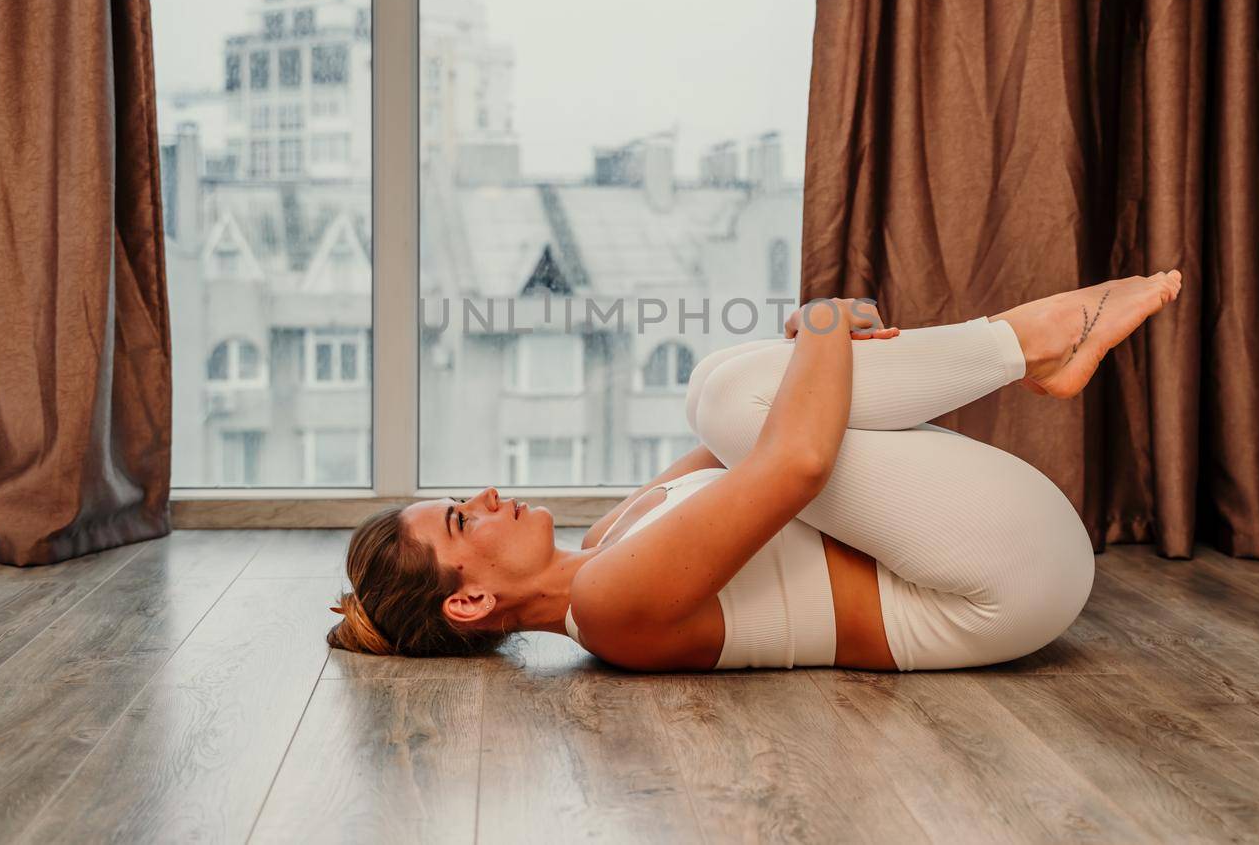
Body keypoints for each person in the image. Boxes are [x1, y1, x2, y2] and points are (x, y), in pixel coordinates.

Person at [330, 272, 1182, 671]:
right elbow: (798, 461)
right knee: (736, 391)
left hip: (986, 549)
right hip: (1002, 584)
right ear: (469, 599)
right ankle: (1029, 339)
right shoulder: (607, 607)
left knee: (724, 389)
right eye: (458, 522)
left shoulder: (613, 537)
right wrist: (822, 320)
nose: (482, 497)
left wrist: (821, 342)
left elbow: (780, 421)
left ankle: (1034, 346)